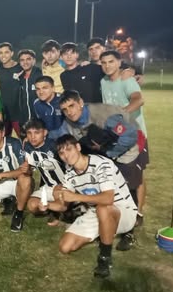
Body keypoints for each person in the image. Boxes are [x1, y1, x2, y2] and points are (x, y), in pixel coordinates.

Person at [58, 90, 142, 250]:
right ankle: (104, 221)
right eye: (65, 109)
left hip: (126, 147)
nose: (69, 112)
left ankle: (129, 231)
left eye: (72, 106)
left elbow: (130, 136)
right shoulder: (69, 122)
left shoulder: (103, 115)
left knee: (127, 186)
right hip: (104, 149)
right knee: (101, 184)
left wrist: (109, 154)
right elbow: (61, 138)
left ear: (80, 103)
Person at [52, 134, 138, 278]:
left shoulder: (101, 164)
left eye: (69, 149)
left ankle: (104, 259)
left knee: (103, 208)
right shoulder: (70, 174)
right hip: (96, 212)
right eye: (61, 153)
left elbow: (108, 198)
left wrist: (76, 197)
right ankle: (104, 233)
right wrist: (46, 205)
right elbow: (63, 206)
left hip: (123, 210)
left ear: (78, 147)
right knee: (65, 247)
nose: (66, 155)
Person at [100, 50, 148, 224]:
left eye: (111, 61)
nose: (107, 66)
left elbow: (138, 99)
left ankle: (138, 213)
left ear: (119, 62)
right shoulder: (104, 82)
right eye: (104, 63)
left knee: (137, 176)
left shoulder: (127, 80)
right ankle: (124, 209)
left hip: (135, 135)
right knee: (119, 174)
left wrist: (123, 113)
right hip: (116, 136)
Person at [23, 119, 67, 225]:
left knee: (59, 194)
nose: (33, 137)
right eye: (29, 133)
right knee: (32, 205)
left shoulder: (54, 146)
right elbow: (30, 170)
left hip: (65, 185)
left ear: (45, 132)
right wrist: (27, 169)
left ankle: (61, 212)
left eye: (37, 133)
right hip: (49, 186)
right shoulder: (28, 147)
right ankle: (52, 209)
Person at [0, 42, 23, 137]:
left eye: (6, 52)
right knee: (4, 139)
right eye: (1, 53)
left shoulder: (20, 67)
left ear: (12, 53)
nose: (3, 55)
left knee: (23, 138)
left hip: (18, 112)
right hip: (4, 112)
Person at [17, 49, 42, 128]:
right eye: (22, 60)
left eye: (28, 59)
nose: (25, 62)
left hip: (39, 120)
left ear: (34, 60)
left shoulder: (40, 75)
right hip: (24, 120)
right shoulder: (20, 78)